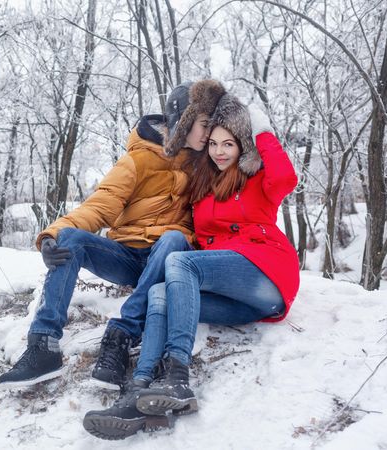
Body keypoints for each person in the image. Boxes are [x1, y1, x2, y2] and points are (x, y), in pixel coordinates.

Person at [83, 93, 300, 439]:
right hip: (235, 296)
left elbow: (288, 178)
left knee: (181, 264)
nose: (220, 151)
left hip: (266, 273)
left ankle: (177, 378)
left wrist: (260, 129)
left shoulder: (257, 178)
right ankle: (139, 390)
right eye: (213, 143)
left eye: (229, 143)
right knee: (160, 292)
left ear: (242, 145)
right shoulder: (205, 190)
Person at [0, 80, 227, 389]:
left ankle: (122, 334)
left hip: (167, 259)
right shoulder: (138, 160)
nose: (209, 132)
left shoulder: (207, 165)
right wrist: (51, 235)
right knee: (71, 238)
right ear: (183, 121)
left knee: (174, 238)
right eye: (203, 124)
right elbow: (100, 205)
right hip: (128, 257)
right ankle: (43, 346)